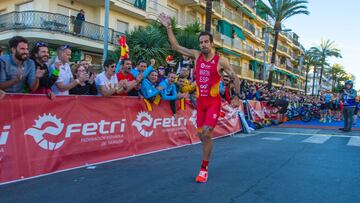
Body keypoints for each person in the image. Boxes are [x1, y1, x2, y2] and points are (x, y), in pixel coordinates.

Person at [159, 13, 241, 183]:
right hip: (200, 104)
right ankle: (206, 157)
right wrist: (168, 27)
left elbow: (236, 78)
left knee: (206, 132)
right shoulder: (196, 55)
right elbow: (175, 46)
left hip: (213, 103)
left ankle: (204, 168)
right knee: (202, 136)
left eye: (206, 42)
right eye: (201, 42)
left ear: (212, 44)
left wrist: (237, 96)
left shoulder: (221, 61)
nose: (203, 45)